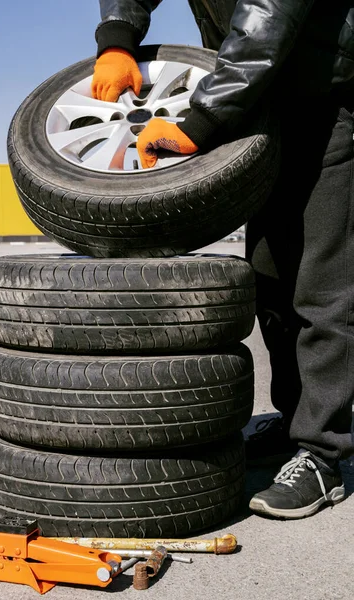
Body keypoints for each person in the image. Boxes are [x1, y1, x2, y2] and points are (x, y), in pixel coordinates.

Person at [92, 0, 354, 519]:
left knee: (320, 282)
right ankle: (293, 418)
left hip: (328, 94)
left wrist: (205, 114)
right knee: (270, 275)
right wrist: (118, 36)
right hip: (261, 96)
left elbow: (269, 10)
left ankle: (324, 453)